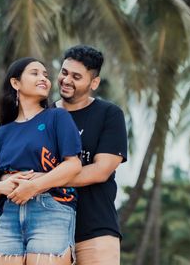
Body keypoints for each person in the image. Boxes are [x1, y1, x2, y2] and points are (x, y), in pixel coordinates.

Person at [0, 57, 84, 264]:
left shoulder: (57, 117)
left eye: (45, 74)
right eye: (35, 73)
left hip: (51, 210)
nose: (43, 78)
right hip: (9, 216)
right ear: (15, 83)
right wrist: (3, 186)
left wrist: (33, 187)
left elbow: (73, 165)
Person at [55, 45, 128, 265]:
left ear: (93, 83)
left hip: (96, 229)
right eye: (64, 72)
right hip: (48, 229)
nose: (67, 80)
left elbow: (100, 170)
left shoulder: (109, 114)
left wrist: (42, 181)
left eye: (76, 76)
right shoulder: (45, 115)